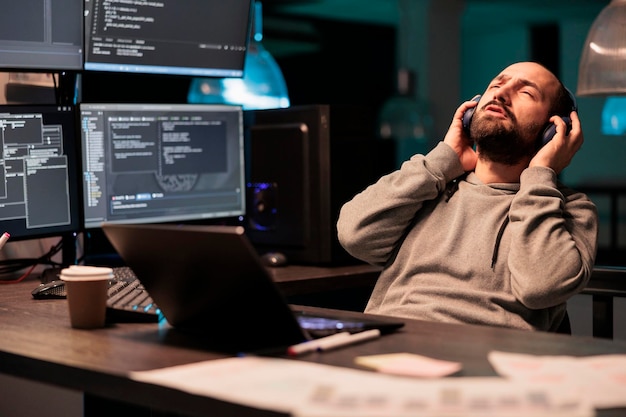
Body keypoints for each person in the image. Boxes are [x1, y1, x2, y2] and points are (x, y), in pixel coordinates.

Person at [337, 62, 598, 332]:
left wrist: (541, 175)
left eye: (526, 93)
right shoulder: (428, 187)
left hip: (486, 361)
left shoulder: (571, 209)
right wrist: (442, 161)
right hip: (388, 345)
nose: (501, 93)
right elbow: (355, 236)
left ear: (553, 131)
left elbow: (541, 288)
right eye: (496, 84)